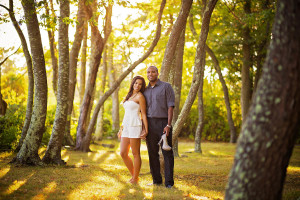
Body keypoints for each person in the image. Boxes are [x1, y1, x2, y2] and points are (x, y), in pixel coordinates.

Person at [143, 65, 175, 188]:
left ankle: (169, 183)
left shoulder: (166, 87)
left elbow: (170, 107)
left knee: (167, 153)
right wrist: (144, 127)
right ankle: (156, 180)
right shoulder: (144, 90)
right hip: (149, 124)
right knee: (152, 153)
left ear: (157, 73)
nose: (150, 74)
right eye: (148, 72)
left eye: (153, 72)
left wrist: (168, 125)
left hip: (163, 124)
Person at [118, 75, 148, 184]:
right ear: (133, 83)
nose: (137, 85)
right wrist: (121, 129)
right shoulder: (129, 95)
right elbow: (127, 114)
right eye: (136, 83)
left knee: (135, 153)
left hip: (135, 125)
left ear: (142, 86)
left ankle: (135, 178)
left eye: (140, 84)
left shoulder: (140, 97)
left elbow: (143, 114)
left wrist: (145, 129)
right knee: (123, 153)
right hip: (126, 126)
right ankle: (134, 176)